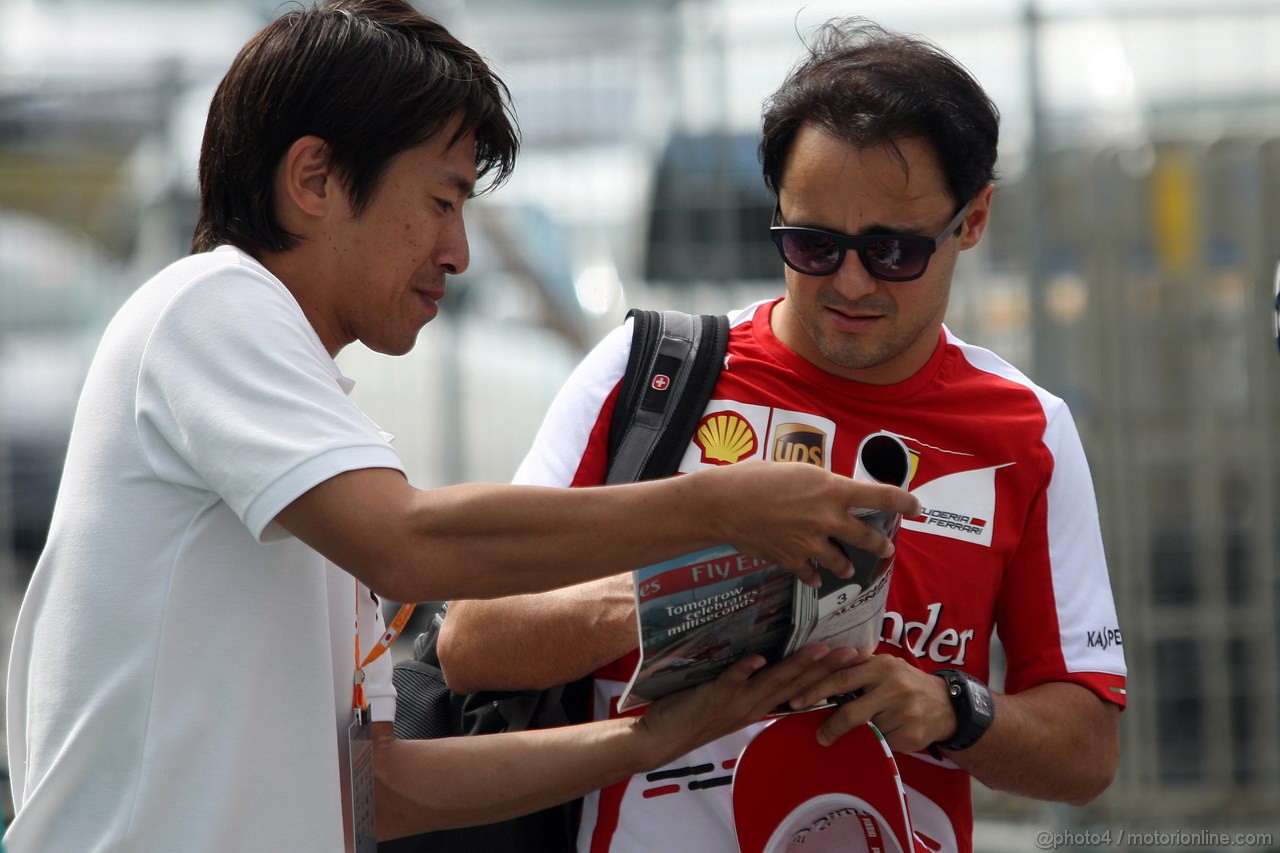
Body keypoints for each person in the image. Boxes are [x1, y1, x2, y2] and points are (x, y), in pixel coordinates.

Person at [2, 4, 921, 852]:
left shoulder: (314, 435)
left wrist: (655, 737)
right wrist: (722, 506)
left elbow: (384, 787)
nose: (460, 252)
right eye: (442, 201)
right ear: (314, 179)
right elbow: (410, 543)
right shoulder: (212, 304)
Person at [439, 18, 1128, 853]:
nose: (848, 282)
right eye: (811, 244)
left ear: (973, 219)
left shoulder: (1028, 431)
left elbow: (1087, 747)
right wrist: (683, 598)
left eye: (893, 251)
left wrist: (953, 708)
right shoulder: (650, 372)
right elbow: (471, 643)